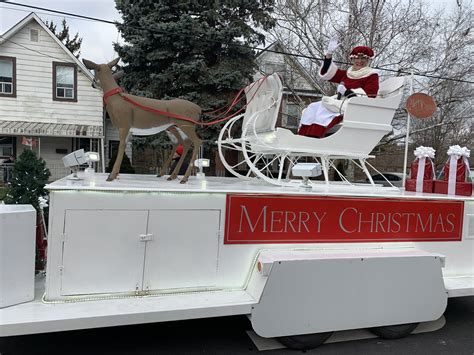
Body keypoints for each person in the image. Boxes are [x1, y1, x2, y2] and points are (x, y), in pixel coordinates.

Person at [298, 40, 379, 138]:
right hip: (340, 100)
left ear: (368, 60)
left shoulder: (372, 75)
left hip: (353, 105)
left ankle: (314, 135)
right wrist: (329, 55)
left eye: (363, 59)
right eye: (357, 58)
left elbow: (370, 95)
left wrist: (347, 92)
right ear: (352, 59)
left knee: (324, 109)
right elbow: (327, 74)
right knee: (313, 107)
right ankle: (303, 135)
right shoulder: (347, 73)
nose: (359, 61)